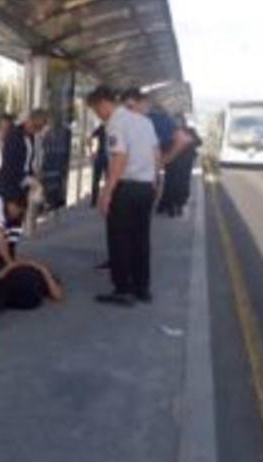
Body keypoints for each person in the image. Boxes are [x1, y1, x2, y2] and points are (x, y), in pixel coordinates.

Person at [87, 85, 160, 306]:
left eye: (95, 109)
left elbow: (119, 159)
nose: (97, 114)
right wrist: (155, 181)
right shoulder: (144, 121)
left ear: (103, 103)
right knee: (140, 239)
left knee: (119, 239)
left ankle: (122, 289)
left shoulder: (116, 123)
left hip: (125, 189)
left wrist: (106, 193)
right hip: (145, 187)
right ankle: (142, 288)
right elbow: (155, 153)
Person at [121, 88, 193, 216]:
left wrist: (163, 161)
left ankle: (172, 206)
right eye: (126, 108)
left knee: (173, 183)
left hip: (175, 157)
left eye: (131, 106)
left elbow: (183, 140)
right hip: (131, 177)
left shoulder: (156, 119)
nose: (129, 111)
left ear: (142, 103)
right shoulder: (131, 121)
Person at [0, 109, 49, 201]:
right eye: (35, 126)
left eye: (39, 128)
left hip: (21, 184)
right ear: (28, 121)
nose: (36, 131)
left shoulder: (30, 137)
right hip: (10, 185)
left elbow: (27, 162)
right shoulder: (14, 137)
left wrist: (32, 175)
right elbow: (10, 165)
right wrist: (28, 179)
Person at [89, 124, 109, 208]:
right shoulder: (102, 127)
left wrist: (91, 151)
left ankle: (98, 201)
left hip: (105, 157)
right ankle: (95, 201)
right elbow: (90, 137)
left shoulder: (105, 127)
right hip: (103, 157)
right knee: (98, 180)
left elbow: (90, 137)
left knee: (104, 180)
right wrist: (91, 151)